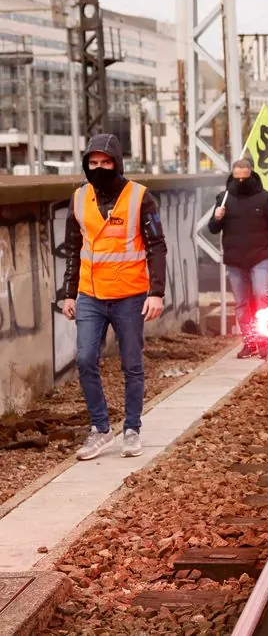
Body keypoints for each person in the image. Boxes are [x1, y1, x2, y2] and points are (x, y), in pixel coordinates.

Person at [63, 134, 167, 461]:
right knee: (84, 359)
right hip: (90, 295)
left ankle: (132, 429)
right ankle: (101, 429)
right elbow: (72, 251)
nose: (98, 168)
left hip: (130, 296)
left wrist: (157, 292)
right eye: (92, 163)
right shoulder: (79, 199)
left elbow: (157, 246)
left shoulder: (140, 197)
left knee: (132, 364)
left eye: (105, 162)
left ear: (117, 163)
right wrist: (68, 294)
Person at [208, 159, 268, 359]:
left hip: (260, 255)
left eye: (245, 176)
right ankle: (249, 341)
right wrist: (217, 217)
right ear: (233, 175)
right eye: (237, 177)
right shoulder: (224, 198)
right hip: (235, 259)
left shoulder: (263, 198)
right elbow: (213, 229)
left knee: (261, 295)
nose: (241, 181)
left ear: (251, 174)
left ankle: (262, 339)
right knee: (242, 303)